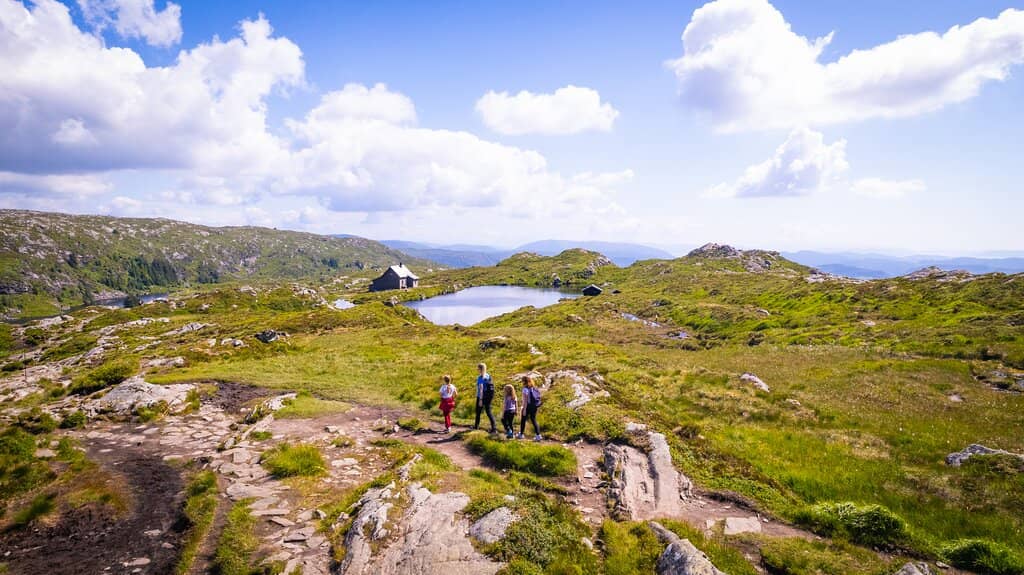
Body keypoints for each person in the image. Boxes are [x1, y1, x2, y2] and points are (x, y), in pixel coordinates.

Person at [474, 363, 497, 433]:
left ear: (480, 369)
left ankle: (476, 427)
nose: (477, 370)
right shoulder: (488, 376)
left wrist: (480, 399)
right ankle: (494, 428)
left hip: (481, 397)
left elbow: (480, 389)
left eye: (478, 368)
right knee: (489, 412)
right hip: (488, 397)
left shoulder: (481, 378)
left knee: (478, 412)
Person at [518, 375, 542, 441]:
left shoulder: (525, 389)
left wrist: (524, 409)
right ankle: (538, 435)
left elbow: (525, 401)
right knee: (533, 420)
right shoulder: (534, 387)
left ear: (524, 382)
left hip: (528, 406)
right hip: (534, 406)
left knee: (523, 420)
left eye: (522, 381)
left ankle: (521, 434)